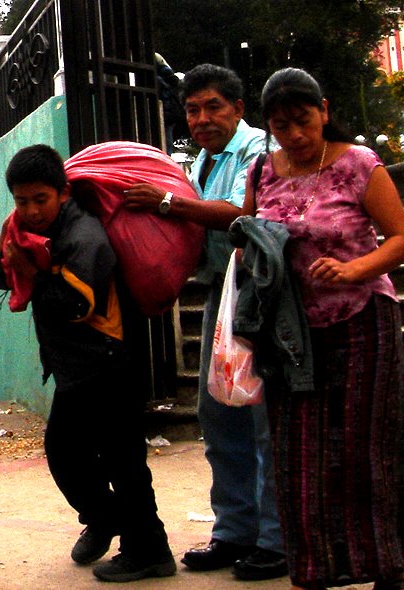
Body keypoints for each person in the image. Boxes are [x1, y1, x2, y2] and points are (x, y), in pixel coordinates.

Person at [123, 63, 286, 581]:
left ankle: (276, 539)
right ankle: (234, 531)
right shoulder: (203, 161)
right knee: (219, 412)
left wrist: (170, 204)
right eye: (193, 110)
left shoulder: (258, 151)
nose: (202, 118)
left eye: (214, 107)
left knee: (262, 417)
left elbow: (241, 212)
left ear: (238, 109)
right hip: (224, 288)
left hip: (263, 292)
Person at [243, 67, 404, 590]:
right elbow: (247, 241)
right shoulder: (262, 172)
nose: (294, 134)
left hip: (363, 323)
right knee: (299, 454)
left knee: (365, 449)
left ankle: (387, 566)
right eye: (281, 124)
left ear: (325, 111)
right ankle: (312, 571)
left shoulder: (359, 164)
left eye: (303, 120)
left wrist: (355, 268)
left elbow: (400, 237)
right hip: (291, 338)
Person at [0, 144, 174, 583]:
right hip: (75, 366)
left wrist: (31, 274)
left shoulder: (85, 236)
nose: (30, 211)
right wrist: (7, 261)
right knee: (67, 454)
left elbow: (73, 304)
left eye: (40, 200)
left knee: (121, 460)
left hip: (109, 360)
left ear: (62, 193)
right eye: (21, 201)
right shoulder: (21, 227)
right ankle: (109, 520)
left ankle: (148, 549)